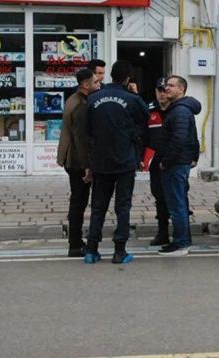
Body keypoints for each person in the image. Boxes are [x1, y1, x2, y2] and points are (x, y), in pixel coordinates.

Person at [84, 60, 150, 264]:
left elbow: (87, 129)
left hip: (101, 160)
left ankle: (91, 250)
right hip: (124, 161)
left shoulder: (93, 98)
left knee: (98, 207)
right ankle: (119, 251)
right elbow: (145, 119)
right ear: (128, 79)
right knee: (123, 207)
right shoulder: (131, 99)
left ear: (111, 76)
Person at [56, 68, 101, 257]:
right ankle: (75, 243)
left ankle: (75, 240)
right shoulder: (80, 105)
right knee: (79, 201)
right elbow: (81, 139)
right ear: (85, 85)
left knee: (78, 200)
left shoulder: (74, 99)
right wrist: (86, 167)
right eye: (96, 82)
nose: (99, 85)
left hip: (72, 158)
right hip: (76, 161)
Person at [155, 75, 201, 256]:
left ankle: (181, 243)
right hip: (179, 162)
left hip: (175, 164)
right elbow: (192, 137)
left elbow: (179, 139)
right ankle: (182, 240)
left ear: (181, 89)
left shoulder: (180, 111)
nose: (167, 88)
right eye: (166, 85)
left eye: (171, 86)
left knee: (177, 204)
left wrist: (165, 161)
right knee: (178, 202)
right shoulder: (180, 109)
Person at [144, 77, 171, 246]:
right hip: (156, 162)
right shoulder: (148, 110)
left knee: (177, 197)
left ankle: (183, 234)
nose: (162, 94)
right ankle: (163, 233)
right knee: (159, 197)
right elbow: (142, 135)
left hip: (174, 160)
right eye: (159, 90)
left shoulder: (178, 109)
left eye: (165, 90)